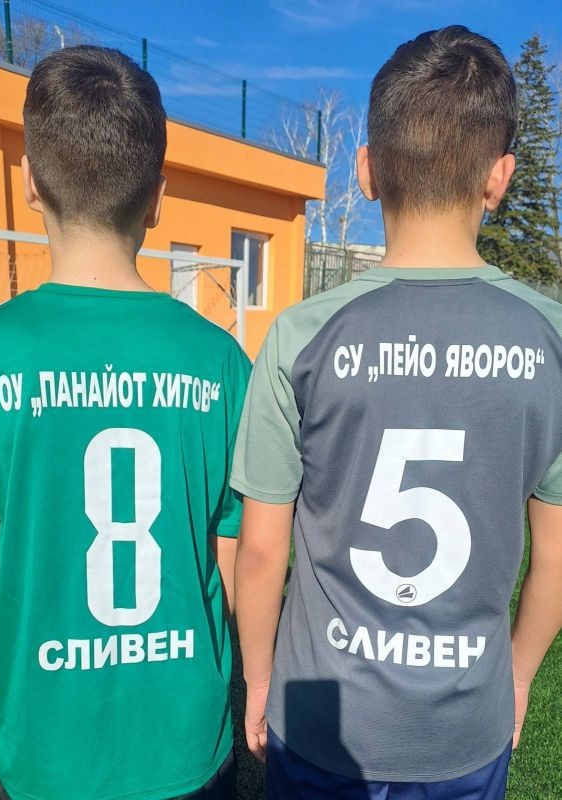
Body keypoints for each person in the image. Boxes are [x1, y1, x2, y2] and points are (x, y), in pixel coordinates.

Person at [232, 25, 562, 800]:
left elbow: (261, 551)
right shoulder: (549, 339)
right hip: (465, 730)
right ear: (500, 177)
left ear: (368, 171)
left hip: (321, 717)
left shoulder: (301, 335)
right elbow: (555, 556)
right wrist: (515, 679)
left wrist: (259, 681)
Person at [0, 45, 250, 800]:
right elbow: (231, 558)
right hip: (183, 735)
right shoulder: (221, 361)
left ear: (30, 184)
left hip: (43, 739)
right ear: (158, 199)